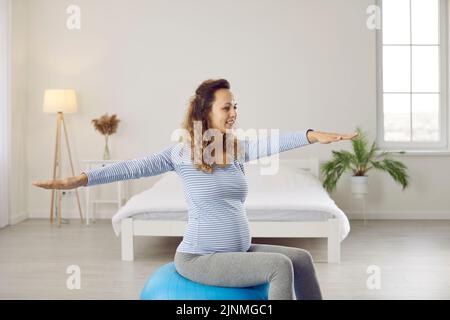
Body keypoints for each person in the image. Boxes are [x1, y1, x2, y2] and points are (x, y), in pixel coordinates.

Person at [33, 79, 358, 300]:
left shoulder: (235, 149)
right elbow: (132, 167)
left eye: (235, 106)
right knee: (279, 265)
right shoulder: (182, 153)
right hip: (200, 258)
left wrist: (311, 135)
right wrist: (81, 179)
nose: (234, 113)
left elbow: (271, 143)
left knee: (300, 258)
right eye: (226, 108)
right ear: (205, 112)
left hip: (236, 252)